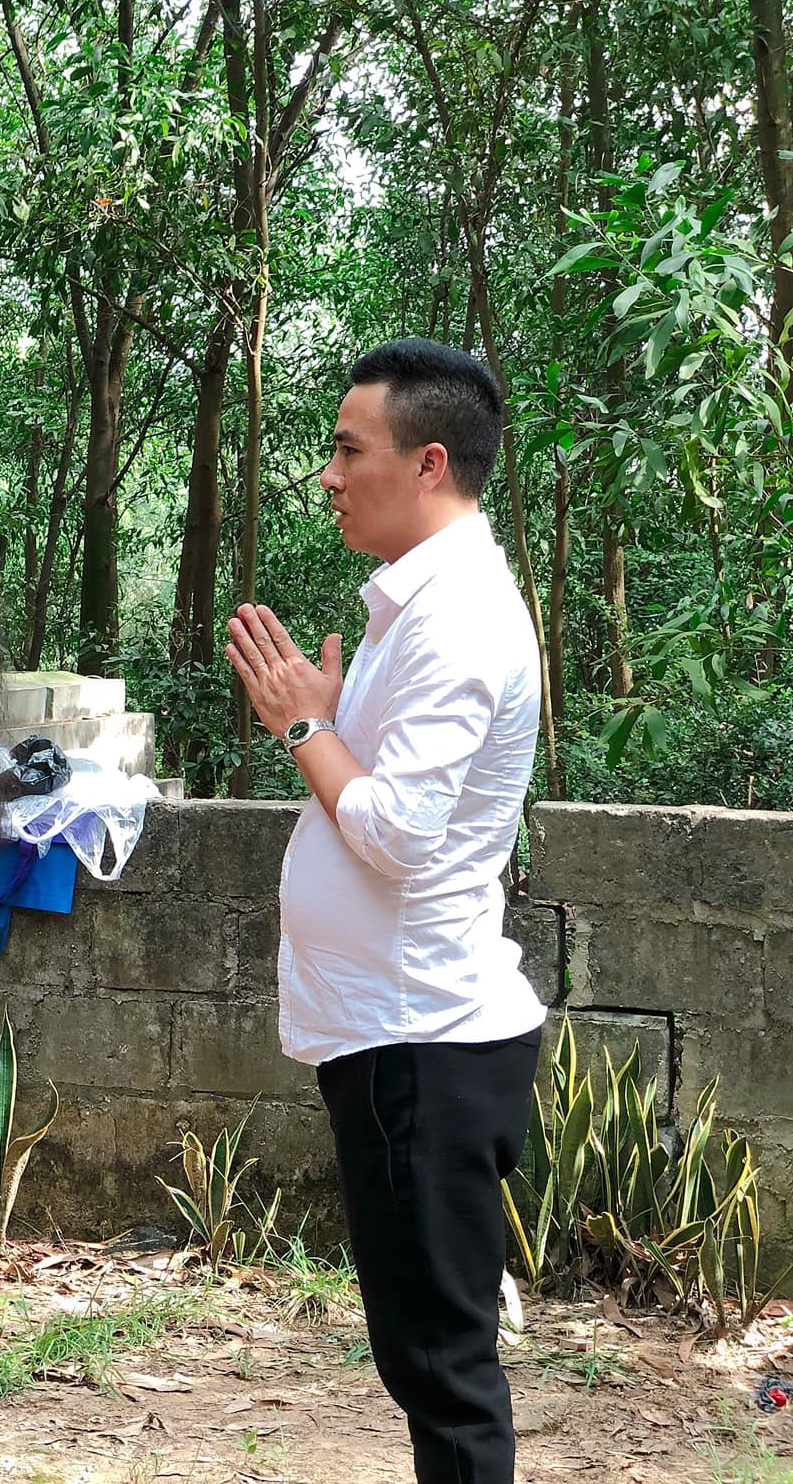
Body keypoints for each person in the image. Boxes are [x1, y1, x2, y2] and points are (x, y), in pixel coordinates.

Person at [225, 337, 546, 1484]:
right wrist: (324, 718)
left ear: (427, 463)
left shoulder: (455, 618)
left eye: (345, 449)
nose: (327, 475)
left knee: (442, 1373)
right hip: (400, 1035)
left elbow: (396, 834)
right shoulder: (416, 606)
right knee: (427, 1361)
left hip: (423, 1042)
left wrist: (302, 726)